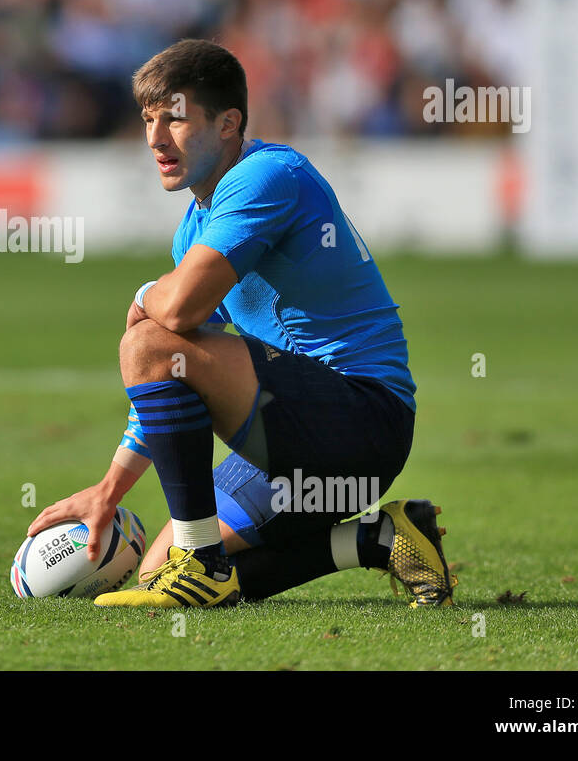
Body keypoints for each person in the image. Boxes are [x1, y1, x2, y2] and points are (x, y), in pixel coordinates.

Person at [27, 39, 456, 608]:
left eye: (175, 119)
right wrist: (110, 489)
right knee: (155, 581)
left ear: (228, 123)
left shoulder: (268, 176)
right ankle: (381, 539)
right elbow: (174, 362)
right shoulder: (196, 225)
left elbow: (173, 318)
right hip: (302, 439)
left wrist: (144, 297)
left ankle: (200, 560)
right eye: (148, 120)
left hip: (358, 421)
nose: (155, 139)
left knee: (148, 340)